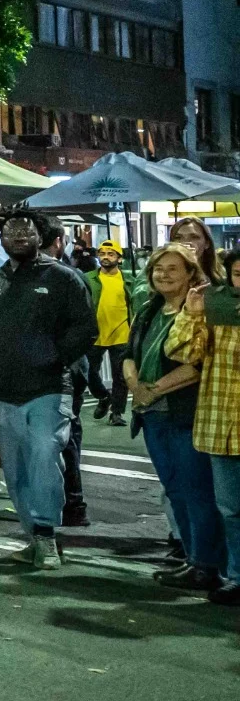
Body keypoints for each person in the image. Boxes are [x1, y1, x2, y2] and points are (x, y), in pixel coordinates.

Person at [0, 209, 97, 569]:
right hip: (3, 392)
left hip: (49, 389)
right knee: (15, 468)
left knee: (44, 458)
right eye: (11, 232)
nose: (19, 237)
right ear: (1, 238)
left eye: (26, 231)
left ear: (42, 236)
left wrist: (53, 357)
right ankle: (32, 535)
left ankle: (45, 535)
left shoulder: (64, 279)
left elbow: (85, 329)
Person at [132, 245, 218, 593]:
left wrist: (154, 389)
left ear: (191, 274)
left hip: (183, 412)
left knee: (197, 491)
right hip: (151, 414)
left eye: (172, 269)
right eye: (158, 269)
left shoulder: (199, 312)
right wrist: (134, 385)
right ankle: (192, 556)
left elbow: (199, 364)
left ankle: (207, 564)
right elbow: (129, 351)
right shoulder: (149, 309)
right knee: (174, 488)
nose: (163, 274)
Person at [86, 240, 138, 426]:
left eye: (110, 254)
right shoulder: (87, 278)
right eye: (102, 254)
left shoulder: (129, 280)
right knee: (89, 371)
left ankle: (117, 413)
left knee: (121, 376)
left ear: (119, 258)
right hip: (95, 334)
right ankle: (103, 396)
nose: (105, 257)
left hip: (121, 334)